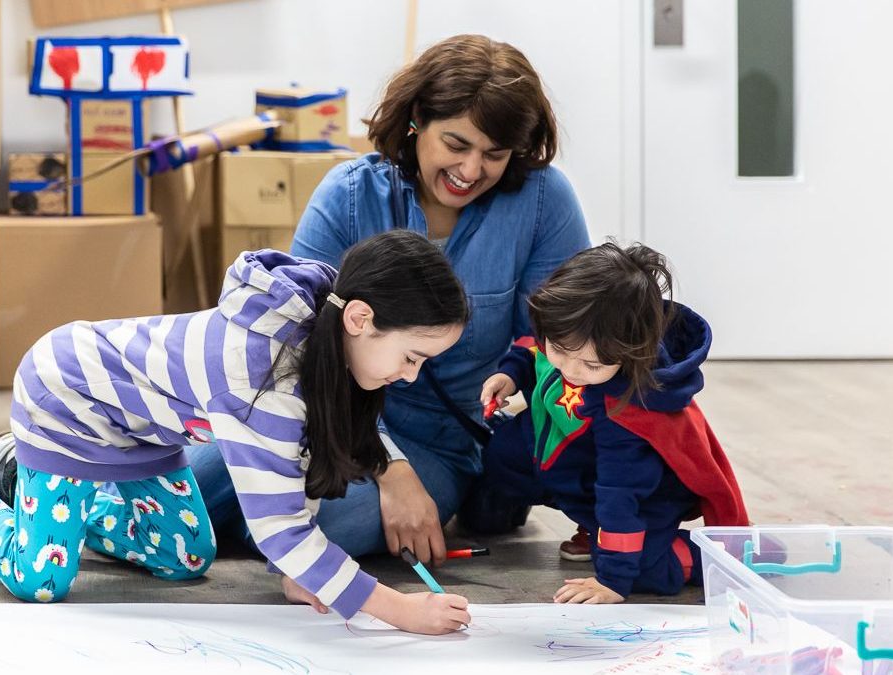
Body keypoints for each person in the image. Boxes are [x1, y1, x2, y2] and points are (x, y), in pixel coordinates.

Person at [0, 230, 473, 635]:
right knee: (41, 578)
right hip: (67, 395)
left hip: (140, 430)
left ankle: (16, 470)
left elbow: (294, 468)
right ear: (362, 319)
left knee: (186, 558)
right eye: (412, 356)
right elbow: (279, 528)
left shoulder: (324, 340)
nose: (410, 376)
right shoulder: (260, 377)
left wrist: (300, 574)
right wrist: (399, 611)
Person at [188, 33, 592, 568]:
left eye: (494, 154)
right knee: (187, 476)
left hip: (439, 442)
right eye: (455, 144)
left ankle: (227, 526)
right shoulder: (348, 195)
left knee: (332, 525)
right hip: (317, 417)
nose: (471, 171)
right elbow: (295, 344)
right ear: (416, 120)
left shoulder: (545, 202)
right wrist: (387, 465)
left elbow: (553, 344)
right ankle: (230, 522)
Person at [478, 242, 749, 603]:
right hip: (570, 458)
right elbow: (532, 348)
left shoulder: (627, 413)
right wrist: (511, 374)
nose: (571, 371)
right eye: (559, 349)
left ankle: (693, 555)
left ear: (630, 353)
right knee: (504, 452)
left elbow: (619, 496)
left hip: (641, 494)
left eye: (591, 365)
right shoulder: (564, 333)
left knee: (644, 568)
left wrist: (614, 579)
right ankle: (593, 528)